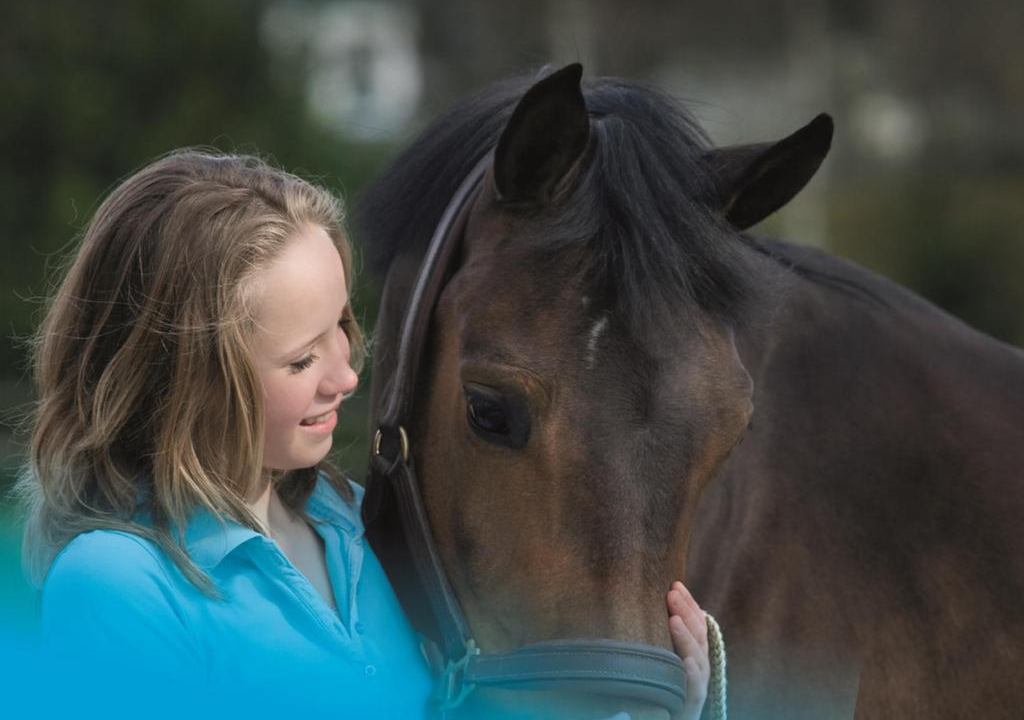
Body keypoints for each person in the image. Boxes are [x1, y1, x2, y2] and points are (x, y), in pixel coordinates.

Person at [18, 149, 710, 718]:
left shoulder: (360, 524)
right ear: (186, 379)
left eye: (344, 329)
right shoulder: (118, 586)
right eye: (301, 359)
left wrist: (652, 704)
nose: (347, 378)